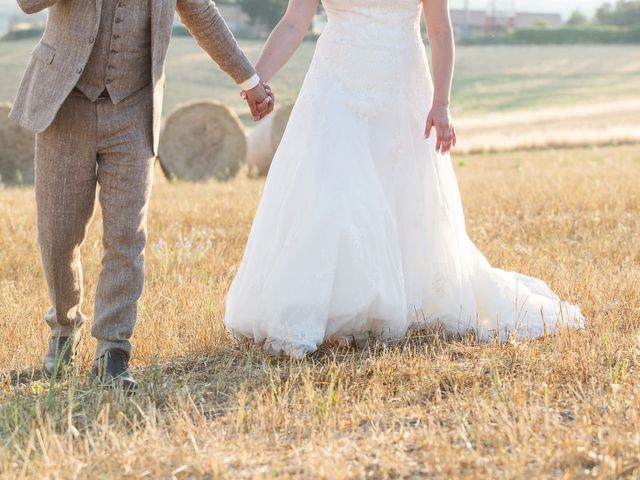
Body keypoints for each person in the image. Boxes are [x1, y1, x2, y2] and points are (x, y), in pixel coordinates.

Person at [224, 0, 585, 358]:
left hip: (402, 88)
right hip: (334, 88)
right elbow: (293, 23)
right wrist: (256, 79)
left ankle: (396, 302)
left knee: (402, 197)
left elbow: (440, 31)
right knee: (332, 195)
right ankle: (323, 305)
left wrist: (441, 103)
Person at [10, 0, 274, 390]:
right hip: (65, 103)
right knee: (58, 234)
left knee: (126, 235)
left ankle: (113, 350)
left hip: (133, 109)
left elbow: (201, 13)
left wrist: (249, 80)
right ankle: (64, 328)